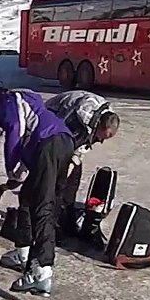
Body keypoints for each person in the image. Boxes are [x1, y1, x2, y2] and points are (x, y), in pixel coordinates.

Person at [0, 87, 75, 296]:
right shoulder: (31, 104)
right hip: (64, 142)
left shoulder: (7, 102)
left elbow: (15, 131)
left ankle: (41, 271)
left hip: (48, 145)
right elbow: (27, 146)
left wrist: (11, 170)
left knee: (42, 208)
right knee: (31, 199)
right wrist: (13, 181)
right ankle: (25, 253)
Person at [43, 90, 121, 241]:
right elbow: (59, 135)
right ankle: (52, 226)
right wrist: (63, 170)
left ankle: (67, 221)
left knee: (73, 180)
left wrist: (73, 162)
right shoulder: (77, 117)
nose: (100, 141)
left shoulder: (106, 116)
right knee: (58, 184)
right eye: (100, 137)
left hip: (72, 134)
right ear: (98, 126)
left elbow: (83, 146)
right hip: (53, 125)